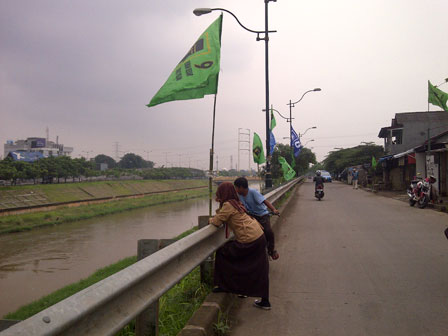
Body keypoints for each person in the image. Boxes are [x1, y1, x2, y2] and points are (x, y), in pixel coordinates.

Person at [209, 182, 271, 310]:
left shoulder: (228, 205)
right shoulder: (236, 203)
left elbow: (216, 221)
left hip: (249, 239)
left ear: (223, 193)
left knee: (222, 253)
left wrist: (211, 218)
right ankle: (264, 301)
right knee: (259, 268)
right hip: (259, 235)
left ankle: (224, 285)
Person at [233, 177, 280, 260]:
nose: (235, 189)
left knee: (269, 232)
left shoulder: (253, 192)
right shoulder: (238, 196)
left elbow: (264, 201)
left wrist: (273, 209)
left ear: (241, 187)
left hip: (262, 215)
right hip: (251, 216)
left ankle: (271, 251)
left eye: (236, 187)